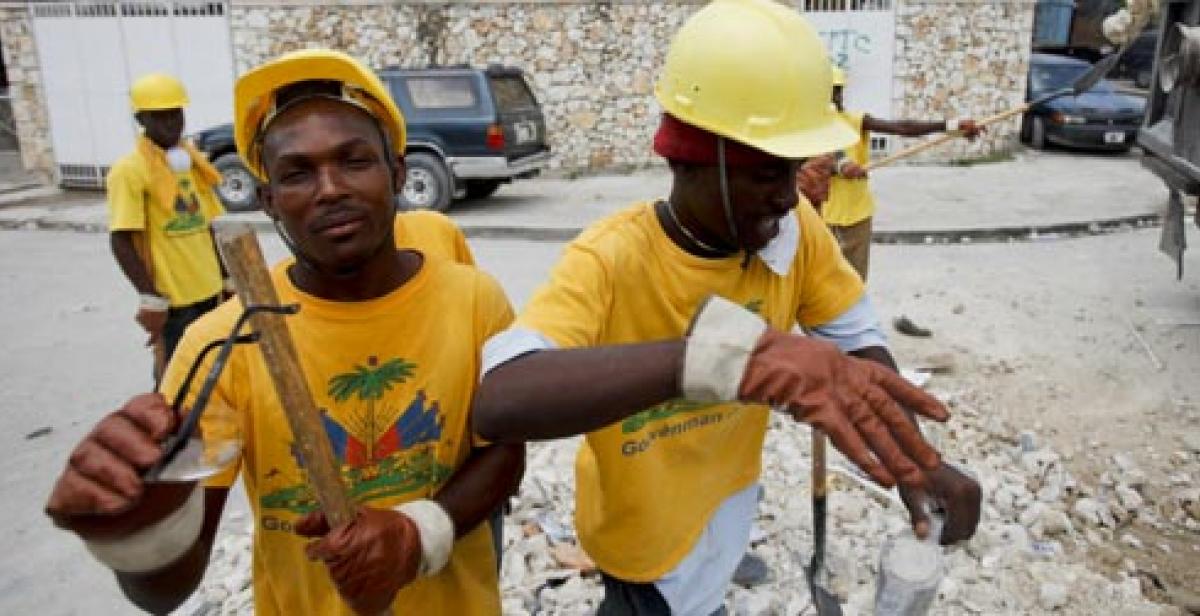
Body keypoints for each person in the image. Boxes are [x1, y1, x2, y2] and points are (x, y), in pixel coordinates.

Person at [472, 1, 981, 614]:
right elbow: (503, 396)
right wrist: (725, 360)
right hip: (642, 550)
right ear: (686, 157)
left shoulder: (796, 239)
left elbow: (860, 345)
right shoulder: (612, 259)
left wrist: (916, 462)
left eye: (794, 171)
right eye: (768, 173)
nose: (790, 197)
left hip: (726, 512)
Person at [44, 49, 524, 615]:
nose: (329, 189)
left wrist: (421, 534)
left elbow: (504, 453)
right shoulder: (221, 342)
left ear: (397, 172)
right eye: (297, 173)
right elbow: (166, 588)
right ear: (269, 201)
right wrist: (136, 534)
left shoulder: (473, 298)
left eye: (354, 161)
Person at [106, 73, 233, 378]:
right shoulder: (129, 171)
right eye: (159, 117)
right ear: (142, 119)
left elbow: (209, 227)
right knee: (176, 378)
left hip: (210, 290)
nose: (171, 124)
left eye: (175, 114)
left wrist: (226, 278)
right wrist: (150, 297)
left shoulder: (190, 162)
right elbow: (121, 240)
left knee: (214, 371)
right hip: (173, 300)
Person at [819, 66, 983, 280]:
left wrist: (951, 126)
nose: (836, 96)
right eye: (831, 90)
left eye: (838, 90)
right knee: (820, 280)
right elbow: (827, 152)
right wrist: (842, 165)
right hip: (821, 217)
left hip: (857, 215)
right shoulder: (812, 126)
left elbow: (902, 127)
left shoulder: (855, 121)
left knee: (854, 281)